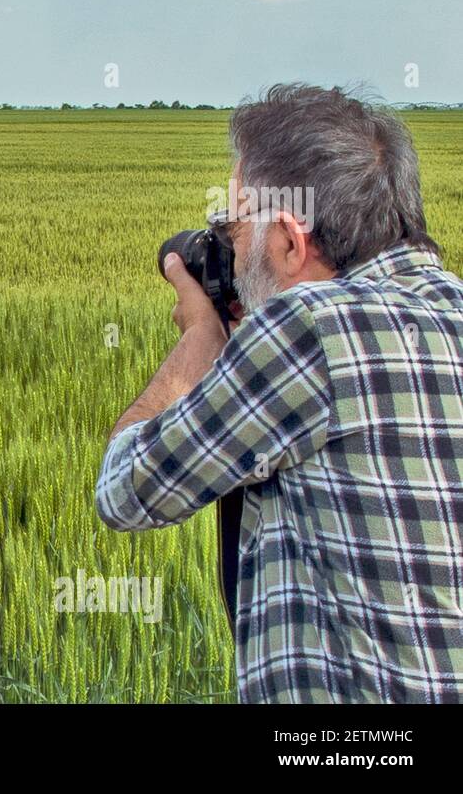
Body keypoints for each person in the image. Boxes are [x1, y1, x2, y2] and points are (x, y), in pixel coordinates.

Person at [95, 83, 463, 702]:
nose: (233, 256)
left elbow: (125, 492)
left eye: (237, 231)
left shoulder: (307, 330)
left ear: (291, 242)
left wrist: (200, 349)